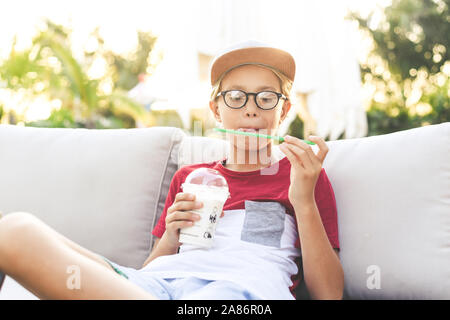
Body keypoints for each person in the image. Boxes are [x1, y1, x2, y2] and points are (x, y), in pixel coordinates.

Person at [0, 41, 343, 300]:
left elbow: (328, 293)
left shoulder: (304, 176)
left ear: (283, 112)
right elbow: (153, 272)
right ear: (216, 110)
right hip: (158, 286)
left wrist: (304, 202)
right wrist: (171, 236)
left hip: (239, 293)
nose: (251, 110)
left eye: (266, 98)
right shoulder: (191, 178)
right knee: (15, 230)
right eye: (236, 97)